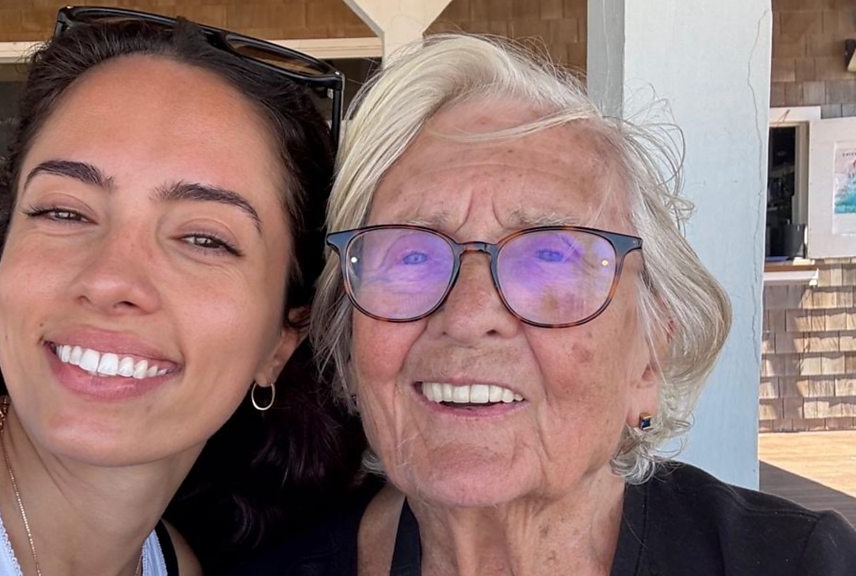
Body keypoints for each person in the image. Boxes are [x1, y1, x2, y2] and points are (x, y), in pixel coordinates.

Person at [239, 34, 856, 575]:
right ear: (351, 349)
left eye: (552, 257)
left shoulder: (806, 562)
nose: (468, 316)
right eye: (412, 255)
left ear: (648, 360)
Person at [0, 7, 363, 576]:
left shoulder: (174, 563)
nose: (109, 280)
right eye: (64, 212)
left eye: (205, 239)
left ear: (280, 342)